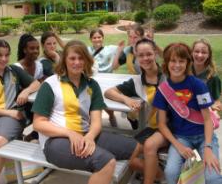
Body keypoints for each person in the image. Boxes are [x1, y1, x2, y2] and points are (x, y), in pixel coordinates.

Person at [32, 40, 140, 184]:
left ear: (87, 60)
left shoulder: (92, 85)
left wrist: (89, 137)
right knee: (106, 162)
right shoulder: (51, 84)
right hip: (55, 141)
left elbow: (96, 121)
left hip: (85, 134)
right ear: (64, 60)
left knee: (138, 147)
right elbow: (38, 124)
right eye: (72, 58)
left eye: (81, 58)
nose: (77, 62)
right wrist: (70, 133)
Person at [153, 42, 222, 184]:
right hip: (181, 137)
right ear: (166, 62)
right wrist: (178, 146)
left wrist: (208, 148)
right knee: (170, 173)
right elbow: (161, 124)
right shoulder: (162, 90)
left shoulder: (198, 85)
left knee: (213, 177)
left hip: (204, 136)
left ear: (187, 63)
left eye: (181, 61)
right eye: (173, 60)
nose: (177, 65)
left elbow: (207, 120)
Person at [105, 38, 167, 184]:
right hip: (152, 128)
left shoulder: (168, 75)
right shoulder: (138, 81)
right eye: (141, 55)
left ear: (156, 54)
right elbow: (109, 92)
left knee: (148, 147)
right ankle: (161, 176)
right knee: (131, 161)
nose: (145, 58)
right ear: (136, 57)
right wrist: (126, 99)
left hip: (172, 127)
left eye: (149, 54)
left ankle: (151, 179)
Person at [0, 39, 40, 184]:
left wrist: (26, 91)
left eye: (7, 55)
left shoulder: (14, 70)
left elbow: (36, 83)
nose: (4, 59)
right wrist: (8, 113)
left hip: (13, 114)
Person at [88, 28, 124, 127]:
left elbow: (129, 48)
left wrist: (120, 48)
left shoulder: (110, 49)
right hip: (93, 81)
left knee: (107, 103)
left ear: (103, 38)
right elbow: (69, 48)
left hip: (108, 81)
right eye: (94, 37)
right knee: (91, 102)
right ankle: (91, 122)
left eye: (99, 37)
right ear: (91, 39)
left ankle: (111, 116)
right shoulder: (87, 50)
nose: (97, 39)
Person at [191, 38, 222, 112]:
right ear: (191, 52)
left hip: (204, 116)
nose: (199, 55)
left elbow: (217, 102)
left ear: (209, 55)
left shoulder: (213, 77)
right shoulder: (185, 71)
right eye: (197, 51)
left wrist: (212, 106)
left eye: (204, 52)